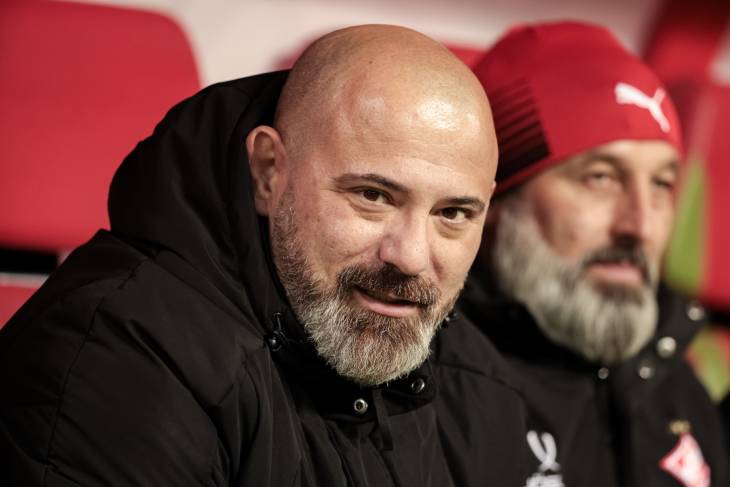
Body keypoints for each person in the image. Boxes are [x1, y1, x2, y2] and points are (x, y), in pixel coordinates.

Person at [0, 25, 530, 486]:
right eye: (372, 196)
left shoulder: (476, 381)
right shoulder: (116, 359)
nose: (411, 257)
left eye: (454, 213)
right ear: (268, 171)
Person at [462, 21, 730, 487]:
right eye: (601, 178)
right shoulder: (429, 398)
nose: (640, 226)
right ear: (494, 200)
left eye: (662, 184)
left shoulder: (676, 385)